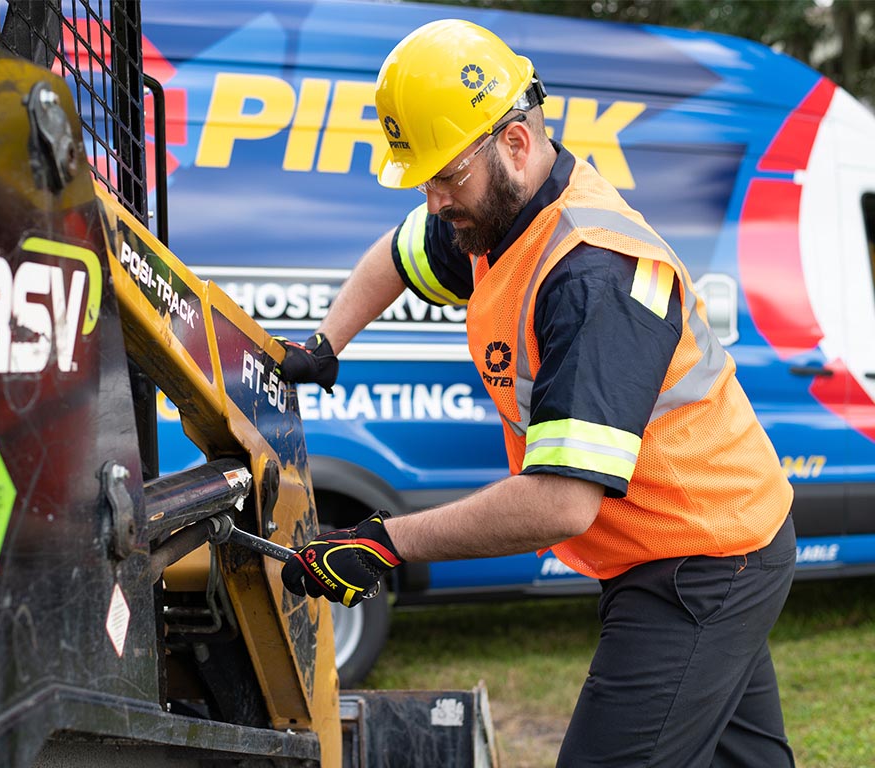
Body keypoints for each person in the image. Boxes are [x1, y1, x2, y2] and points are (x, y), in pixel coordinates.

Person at [277, 19, 797, 767]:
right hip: (703, 544)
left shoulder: (594, 275)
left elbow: (560, 502)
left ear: (515, 144)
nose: (434, 202)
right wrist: (328, 341)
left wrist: (384, 541)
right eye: (423, 179)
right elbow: (396, 255)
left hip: (703, 563)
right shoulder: (496, 218)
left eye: (446, 177)